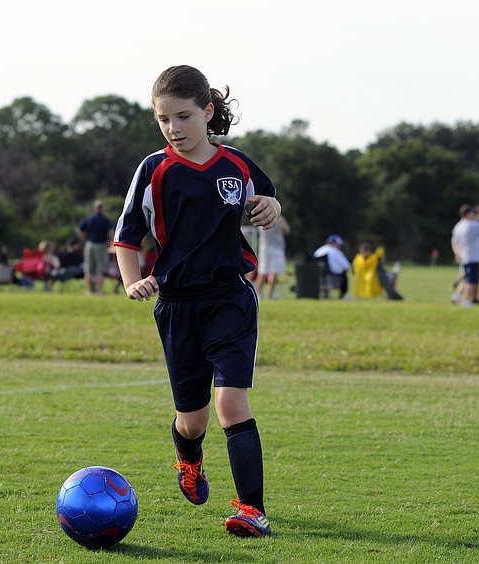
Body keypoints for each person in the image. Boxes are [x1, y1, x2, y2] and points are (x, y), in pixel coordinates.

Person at [113, 65, 279, 537]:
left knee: (230, 404)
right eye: (164, 120)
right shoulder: (153, 169)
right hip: (177, 307)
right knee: (192, 419)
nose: (174, 129)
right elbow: (127, 238)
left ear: (208, 112)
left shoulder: (236, 164)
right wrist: (132, 282)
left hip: (230, 298)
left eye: (184, 117)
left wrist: (273, 207)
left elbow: (268, 197)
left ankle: (252, 510)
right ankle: (190, 461)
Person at [75, 199, 114, 295]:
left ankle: (88, 291)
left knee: (88, 268)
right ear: (101, 208)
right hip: (100, 245)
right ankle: (99, 290)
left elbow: (79, 229)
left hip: (89, 245)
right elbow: (111, 232)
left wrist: (85, 239)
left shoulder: (89, 219)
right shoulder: (105, 220)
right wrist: (111, 241)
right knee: (100, 269)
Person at [255, 215, 289, 299]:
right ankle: (270, 295)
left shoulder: (260, 218)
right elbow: (287, 230)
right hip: (277, 247)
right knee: (274, 272)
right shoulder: (280, 219)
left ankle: (259, 294)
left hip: (264, 247)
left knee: (262, 272)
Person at [313, 234, 351, 299]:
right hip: (333, 274)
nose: (339, 246)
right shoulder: (335, 251)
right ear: (334, 243)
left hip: (318, 274)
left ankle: (325, 293)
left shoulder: (320, 250)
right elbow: (346, 266)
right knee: (344, 275)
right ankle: (342, 295)